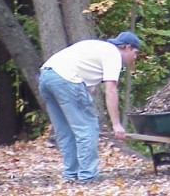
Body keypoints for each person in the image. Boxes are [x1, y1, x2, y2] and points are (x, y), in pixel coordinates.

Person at [39, 31, 140, 183]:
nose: (135, 57)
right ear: (127, 47)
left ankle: (70, 174)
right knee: (87, 128)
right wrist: (116, 124)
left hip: (46, 77)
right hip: (67, 79)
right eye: (135, 52)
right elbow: (110, 90)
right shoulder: (113, 54)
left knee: (65, 129)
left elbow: (86, 89)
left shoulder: (97, 47)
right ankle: (87, 177)